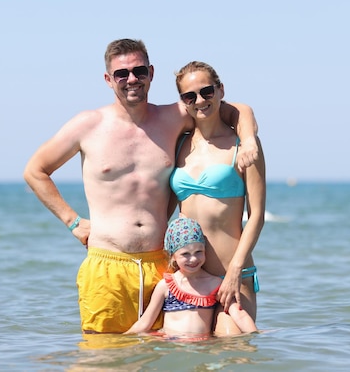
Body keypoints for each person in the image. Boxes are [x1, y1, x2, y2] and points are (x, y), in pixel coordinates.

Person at [23, 38, 260, 334]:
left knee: (163, 357)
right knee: (102, 357)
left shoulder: (175, 117)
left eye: (139, 71)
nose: (131, 79)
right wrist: (73, 222)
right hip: (107, 265)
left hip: (161, 267)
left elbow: (235, 109)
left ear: (151, 72)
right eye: (122, 74)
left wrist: (249, 139)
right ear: (109, 79)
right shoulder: (88, 124)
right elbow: (35, 171)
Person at [170, 61, 266, 336]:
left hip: (230, 276)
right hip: (190, 279)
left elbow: (257, 215)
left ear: (220, 90)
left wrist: (236, 269)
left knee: (231, 356)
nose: (200, 100)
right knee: (190, 360)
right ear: (184, 102)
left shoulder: (243, 146)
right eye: (190, 96)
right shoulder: (179, 144)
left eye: (207, 91)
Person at [124, 217, 258, 338]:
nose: (193, 259)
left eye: (199, 252)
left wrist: (257, 335)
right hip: (171, 345)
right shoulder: (166, 286)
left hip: (202, 346)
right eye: (185, 254)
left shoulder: (215, 284)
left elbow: (239, 315)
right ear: (173, 256)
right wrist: (121, 340)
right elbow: (145, 323)